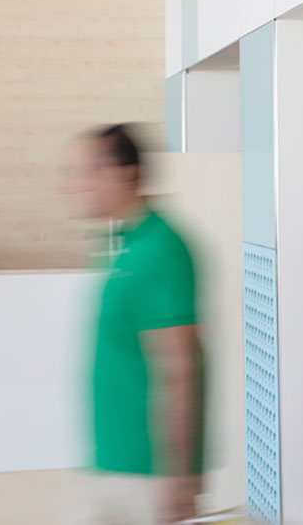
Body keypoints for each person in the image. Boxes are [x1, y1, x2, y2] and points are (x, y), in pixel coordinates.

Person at [70, 124, 204, 524]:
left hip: (146, 476)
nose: (79, 184)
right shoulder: (126, 245)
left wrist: (177, 478)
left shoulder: (160, 249)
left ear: (126, 174)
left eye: (91, 171)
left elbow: (178, 369)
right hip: (113, 466)